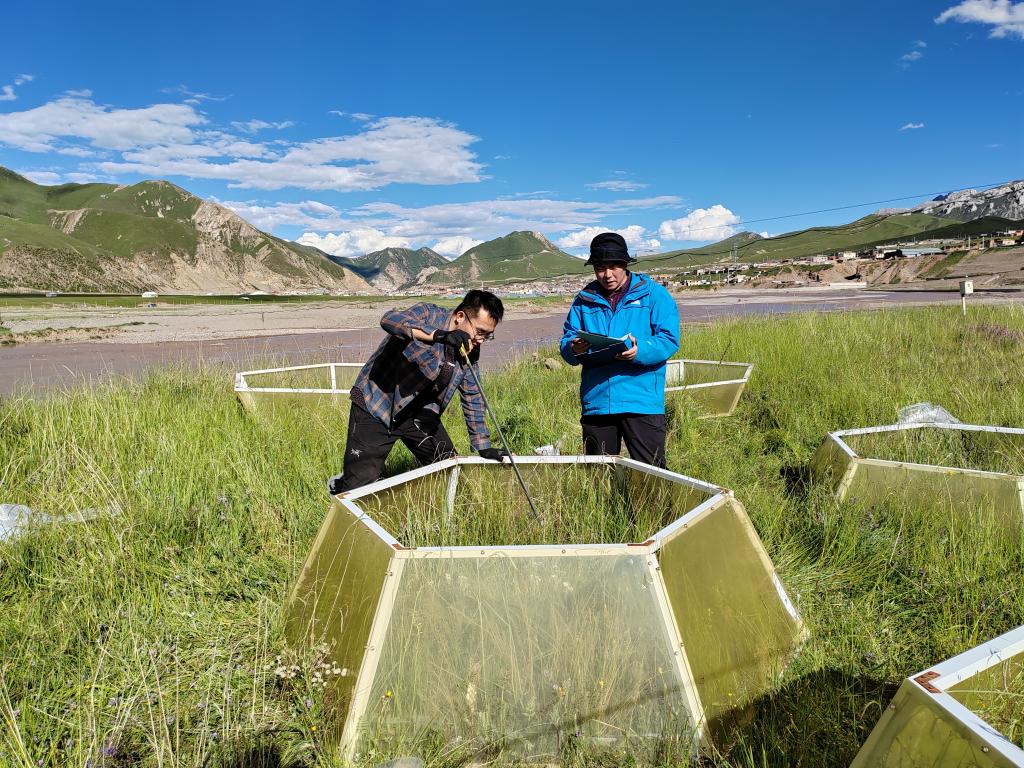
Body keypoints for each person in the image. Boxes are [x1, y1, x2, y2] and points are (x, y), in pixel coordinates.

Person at [328, 290, 508, 494]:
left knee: (450, 471)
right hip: (377, 406)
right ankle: (341, 483)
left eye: (488, 335)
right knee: (357, 489)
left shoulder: (470, 348)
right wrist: (441, 336)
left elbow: (472, 394)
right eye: (480, 332)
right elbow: (390, 320)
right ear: (460, 317)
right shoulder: (428, 314)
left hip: (420, 416)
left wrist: (482, 445)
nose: (481, 340)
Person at [559, 232, 680, 467]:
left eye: (613, 266)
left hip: (641, 400)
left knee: (652, 473)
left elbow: (668, 339)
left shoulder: (654, 294)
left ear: (625, 264)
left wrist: (639, 350)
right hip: (598, 402)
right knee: (599, 475)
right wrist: (575, 348)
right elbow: (567, 341)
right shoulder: (583, 300)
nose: (607, 274)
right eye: (600, 268)